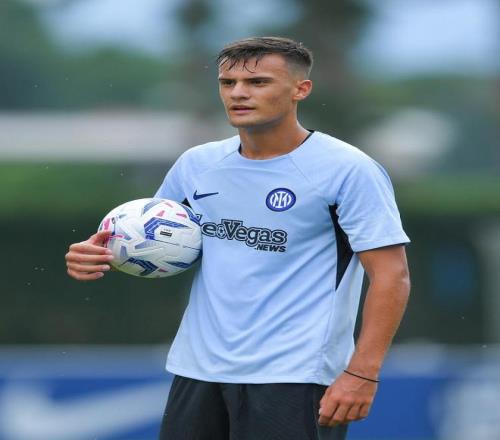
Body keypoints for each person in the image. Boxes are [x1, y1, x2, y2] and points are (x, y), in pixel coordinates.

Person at [65, 37, 411, 440]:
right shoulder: (197, 164)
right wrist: (101, 253)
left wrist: (362, 372)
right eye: (228, 83)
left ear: (301, 89)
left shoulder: (348, 170)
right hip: (197, 371)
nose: (239, 93)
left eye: (258, 82)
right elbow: (154, 240)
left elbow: (392, 276)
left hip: (295, 375)